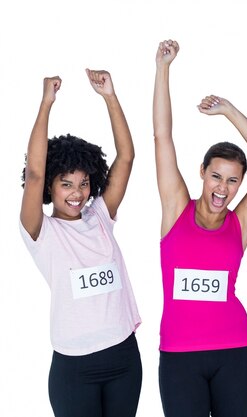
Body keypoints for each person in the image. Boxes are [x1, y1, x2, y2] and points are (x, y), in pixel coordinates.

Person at [153, 39, 247, 417]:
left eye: (233, 181)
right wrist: (163, 69)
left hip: (235, 354)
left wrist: (230, 112)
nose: (222, 188)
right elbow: (162, 137)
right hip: (178, 357)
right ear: (202, 174)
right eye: (216, 176)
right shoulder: (176, 209)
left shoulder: (241, 224)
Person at [19, 70, 142, 417]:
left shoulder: (99, 216)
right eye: (66, 184)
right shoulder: (40, 231)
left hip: (123, 358)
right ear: (51, 188)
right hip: (74, 368)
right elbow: (34, 173)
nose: (77, 193)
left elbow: (127, 157)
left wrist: (110, 97)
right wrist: (46, 103)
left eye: (84, 183)